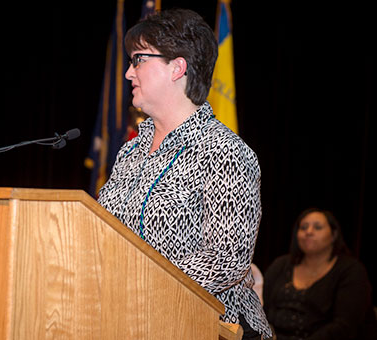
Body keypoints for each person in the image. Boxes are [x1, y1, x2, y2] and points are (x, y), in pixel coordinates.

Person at [96, 8, 272, 339]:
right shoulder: (130, 151)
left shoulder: (225, 151)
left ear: (178, 67)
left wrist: (142, 285)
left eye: (139, 60)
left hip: (213, 326)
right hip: (129, 322)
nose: (128, 74)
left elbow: (226, 259)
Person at [263, 208, 377, 340]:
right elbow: (262, 309)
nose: (309, 232)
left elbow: (344, 326)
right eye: (304, 227)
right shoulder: (280, 265)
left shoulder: (351, 271)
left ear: (334, 235)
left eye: (317, 227)